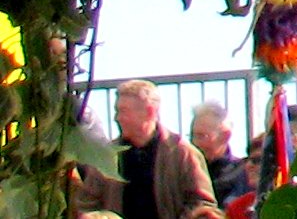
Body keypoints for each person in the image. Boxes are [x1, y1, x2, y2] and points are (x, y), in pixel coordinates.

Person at [71, 80, 221, 219]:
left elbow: (203, 205)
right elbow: (87, 204)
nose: (117, 118)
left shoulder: (181, 153)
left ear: (149, 112)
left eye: (123, 111)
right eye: (117, 111)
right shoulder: (107, 156)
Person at [188, 105, 248, 207]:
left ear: (225, 136)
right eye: (192, 136)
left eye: (202, 136)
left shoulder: (242, 174)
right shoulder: (186, 172)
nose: (195, 143)